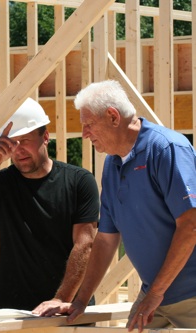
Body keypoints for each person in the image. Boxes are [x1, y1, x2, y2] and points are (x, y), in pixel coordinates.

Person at [39, 80, 196, 332]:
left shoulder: (166, 149)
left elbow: (190, 224)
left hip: (190, 296)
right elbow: (105, 239)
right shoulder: (112, 166)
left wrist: (155, 294)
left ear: (113, 116)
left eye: (89, 124)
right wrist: (79, 301)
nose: (85, 134)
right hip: (155, 295)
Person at [0, 97, 100, 311]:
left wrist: (60, 299)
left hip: (66, 310)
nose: (18, 150)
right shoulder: (2, 183)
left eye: (24, 140)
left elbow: (85, 244)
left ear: (45, 137)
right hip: (15, 312)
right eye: (12, 143)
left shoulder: (79, 182)